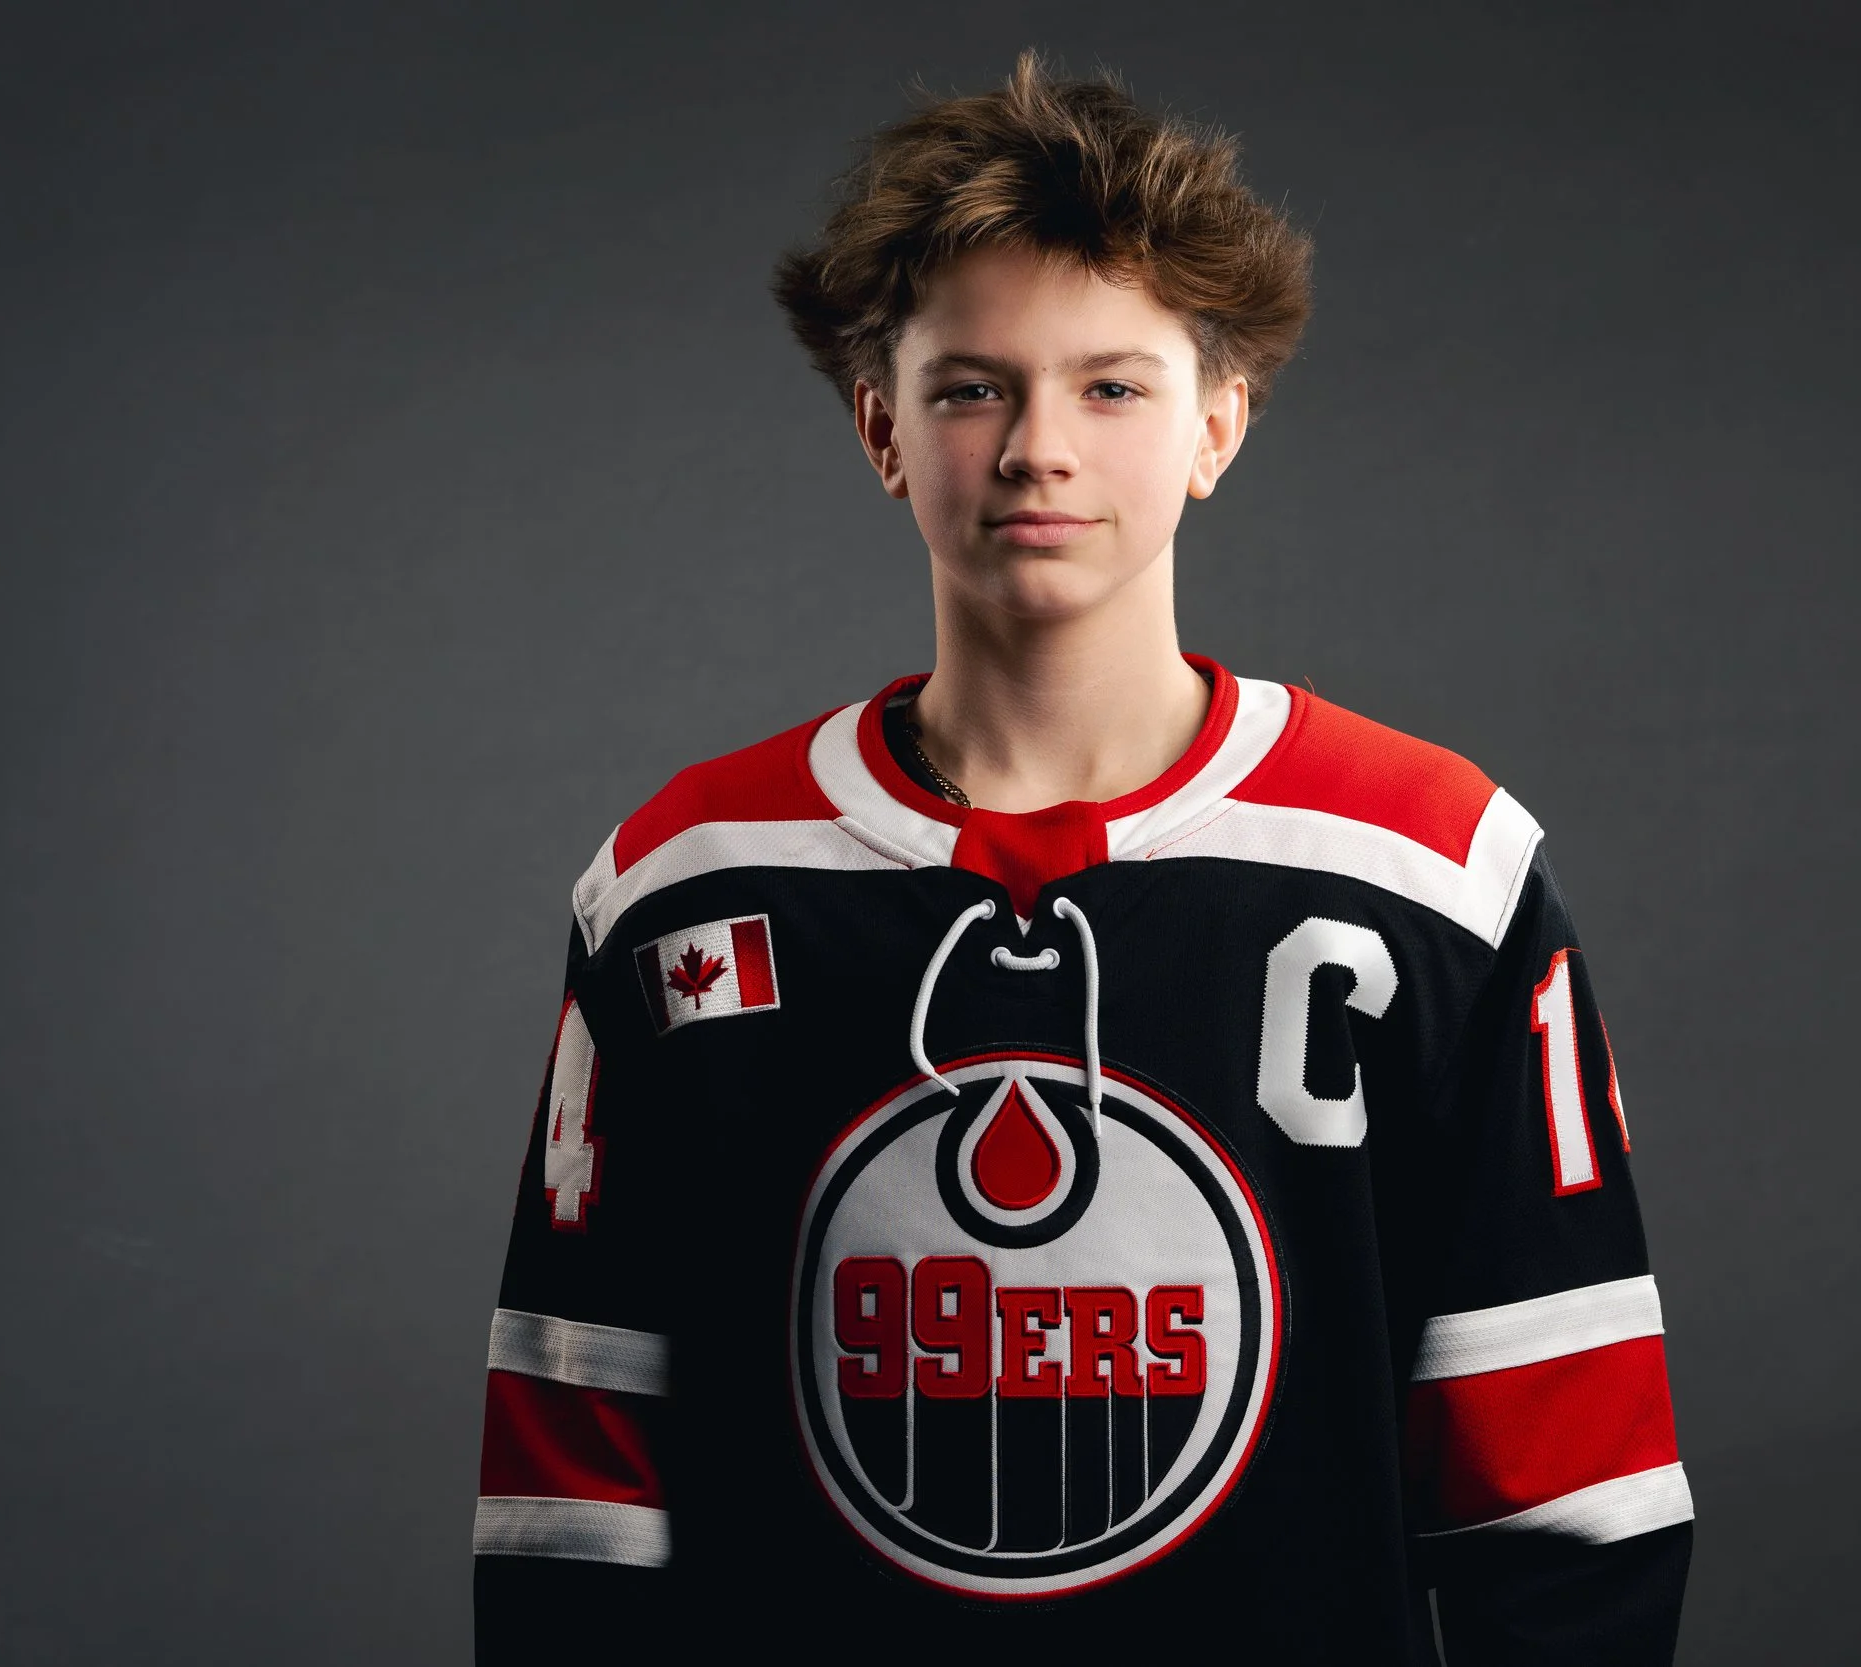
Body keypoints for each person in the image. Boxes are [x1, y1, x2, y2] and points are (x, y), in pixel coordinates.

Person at [472, 52, 1691, 1665]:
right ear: (881, 427)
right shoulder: (684, 882)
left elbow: (1567, 1490)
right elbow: (578, 1488)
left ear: (1218, 425)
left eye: (1113, 386)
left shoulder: (1433, 866)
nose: (1039, 446)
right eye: (972, 385)